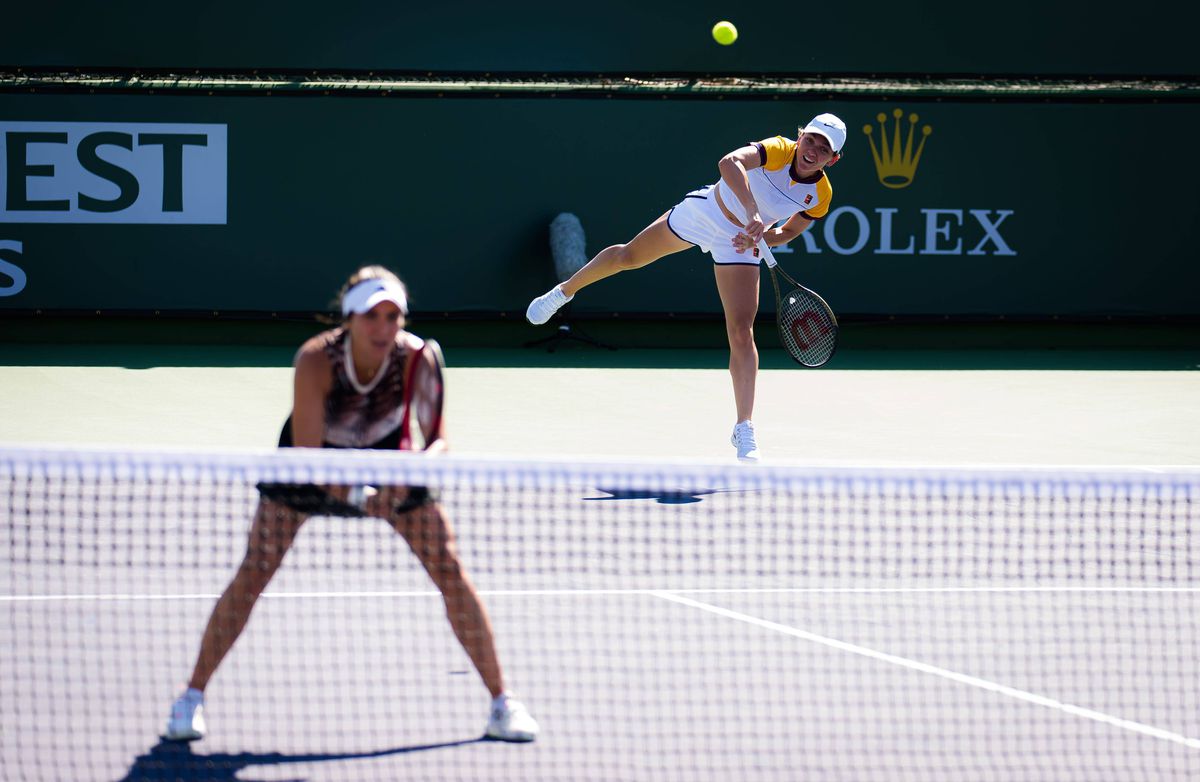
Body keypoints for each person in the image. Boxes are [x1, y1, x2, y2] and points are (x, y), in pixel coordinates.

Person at [165, 265, 539, 743]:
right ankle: (190, 697)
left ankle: (501, 702)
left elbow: (439, 440)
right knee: (255, 570)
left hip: (391, 459)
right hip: (312, 459)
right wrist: (361, 498)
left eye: (393, 317)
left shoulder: (417, 358)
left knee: (449, 569)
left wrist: (414, 474)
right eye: (372, 317)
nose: (384, 328)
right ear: (349, 318)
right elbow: (308, 458)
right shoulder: (316, 360)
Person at [526, 113, 848, 462]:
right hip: (706, 213)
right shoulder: (778, 149)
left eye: (824, 147)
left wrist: (759, 235)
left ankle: (744, 427)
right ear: (800, 137)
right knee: (629, 256)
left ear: (833, 159)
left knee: (741, 331)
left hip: (737, 243)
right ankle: (564, 291)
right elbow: (729, 163)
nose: (813, 149)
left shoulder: (820, 194)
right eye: (811, 139)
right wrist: (753, 212)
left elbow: (787, 232)